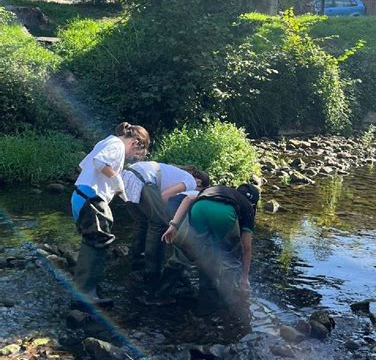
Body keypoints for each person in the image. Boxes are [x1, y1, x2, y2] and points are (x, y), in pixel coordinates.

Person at [71, 122, 150, 307]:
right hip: (91, 199)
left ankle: (86, 290)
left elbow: (85, 166)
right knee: (98, 244)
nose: (132, 157)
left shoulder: (105, 142)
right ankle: (85, 295)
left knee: (91, 243)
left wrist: (118, 190)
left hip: (81, 197)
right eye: (137, 153)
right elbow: (100, 163)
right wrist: (115, 179)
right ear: (136, 143)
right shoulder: (116, 145)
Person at [162, 183, 260, 310]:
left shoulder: (216, 189)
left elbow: (188, 199)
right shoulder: (247, 207)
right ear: (253, 203)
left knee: (183, 254)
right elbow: (246, 248)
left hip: (199, 208)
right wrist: (244, 278)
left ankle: (160, 295)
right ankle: (221, 305)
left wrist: (173, 226)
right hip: (224, 216)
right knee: (230, 259)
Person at [122, 161, 209, 293]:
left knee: (142, 223)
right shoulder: (190, 180)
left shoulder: (175, 173)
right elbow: (164, 196)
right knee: (159, 224)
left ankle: (137, 265)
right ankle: (153, 273)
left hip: (126, 176)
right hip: (142, 179)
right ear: (199, 183)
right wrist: (168, 219)